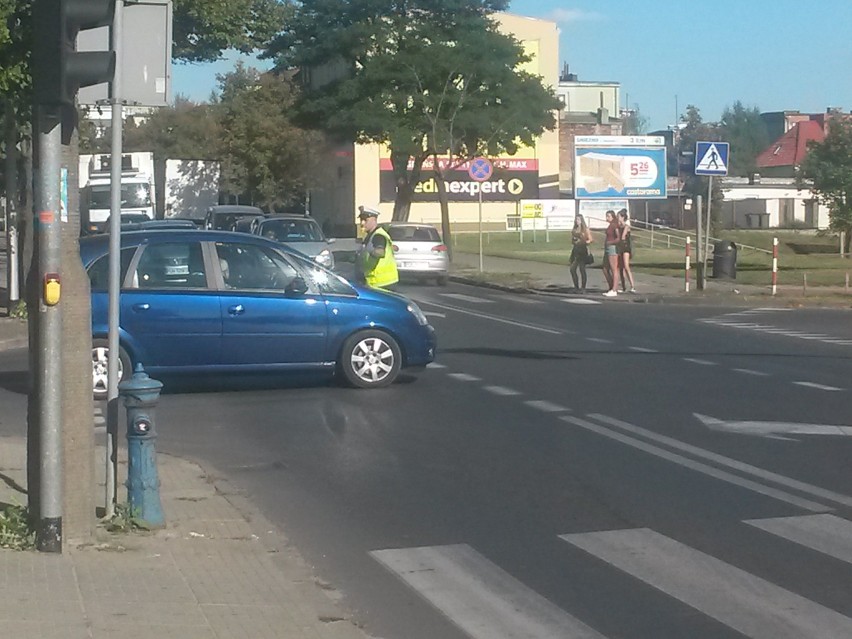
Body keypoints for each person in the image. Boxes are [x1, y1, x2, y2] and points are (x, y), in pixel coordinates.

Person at [355, 205, 399, 290]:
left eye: (365, 220)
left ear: (374, 220)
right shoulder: (370, 236)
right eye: (361, 220)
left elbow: (380, 252)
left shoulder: (379, 236)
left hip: (383, 283)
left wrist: (370, 250)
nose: (362, 223)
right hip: (375, 282)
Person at [569, 213, 593, 292]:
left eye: (578, 219)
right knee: (572, 269)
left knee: (582, 269)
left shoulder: (585, 229)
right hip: (575, 250)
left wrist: (584, 242)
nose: (577, 221)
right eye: (576, 219)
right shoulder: (574, 229)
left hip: (582, 250)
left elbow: (590, 239)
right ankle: (576, 287)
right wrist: (574, 241)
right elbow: (572, 240)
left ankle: (583, 288)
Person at [602, 210, 621, 297]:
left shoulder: (614, 225)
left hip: (612, 248)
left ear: (613, 217)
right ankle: (611, 286)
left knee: (614, 269)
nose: (607, 218)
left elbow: (618, 238)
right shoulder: (610, 225)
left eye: (608, 216)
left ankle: (614, 289)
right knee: (605, 268)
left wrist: (611, 242)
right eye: (606, 216)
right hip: (607, 248)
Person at [617, 209, 636, 293]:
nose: (618, 218)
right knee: (620, 268)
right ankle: (623, 286)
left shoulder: (626, 226)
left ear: (623, 217)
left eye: (619, 217)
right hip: (620, 247)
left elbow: (623, 237)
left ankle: (632, 286)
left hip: (625, 247)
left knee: (626, 266)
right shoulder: (618, 227)